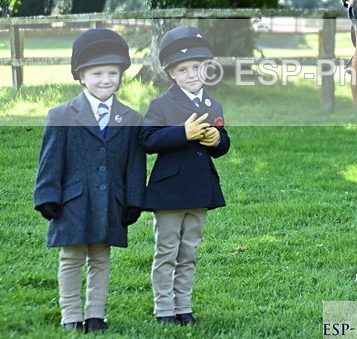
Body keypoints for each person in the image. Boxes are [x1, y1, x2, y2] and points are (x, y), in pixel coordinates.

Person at [34, 28, 146, 333]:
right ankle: (70, 314)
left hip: (110, 200)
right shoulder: (61, 115)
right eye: (97, 73)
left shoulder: (131, 118)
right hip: (72, 201)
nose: (106, 79)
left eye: (113, 72)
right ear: (81, 76)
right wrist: (46, 195)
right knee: (71, 257)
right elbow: (50, 160)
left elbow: (135, 164)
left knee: (100, 257)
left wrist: (134, 200)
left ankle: (96, 314)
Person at [141, 26, 230, 326]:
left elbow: (223, 143)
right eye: (183, 69)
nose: (192, 74)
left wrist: (217, 141)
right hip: (169, 193)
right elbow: (148, 139)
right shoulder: (161, 105)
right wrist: (183, 133)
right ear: (171, 73)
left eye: (197, 67)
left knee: (189, 252)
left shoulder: (213, 105)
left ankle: (184, 306)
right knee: (167, 251)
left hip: (200, 191)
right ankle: (165, 309)